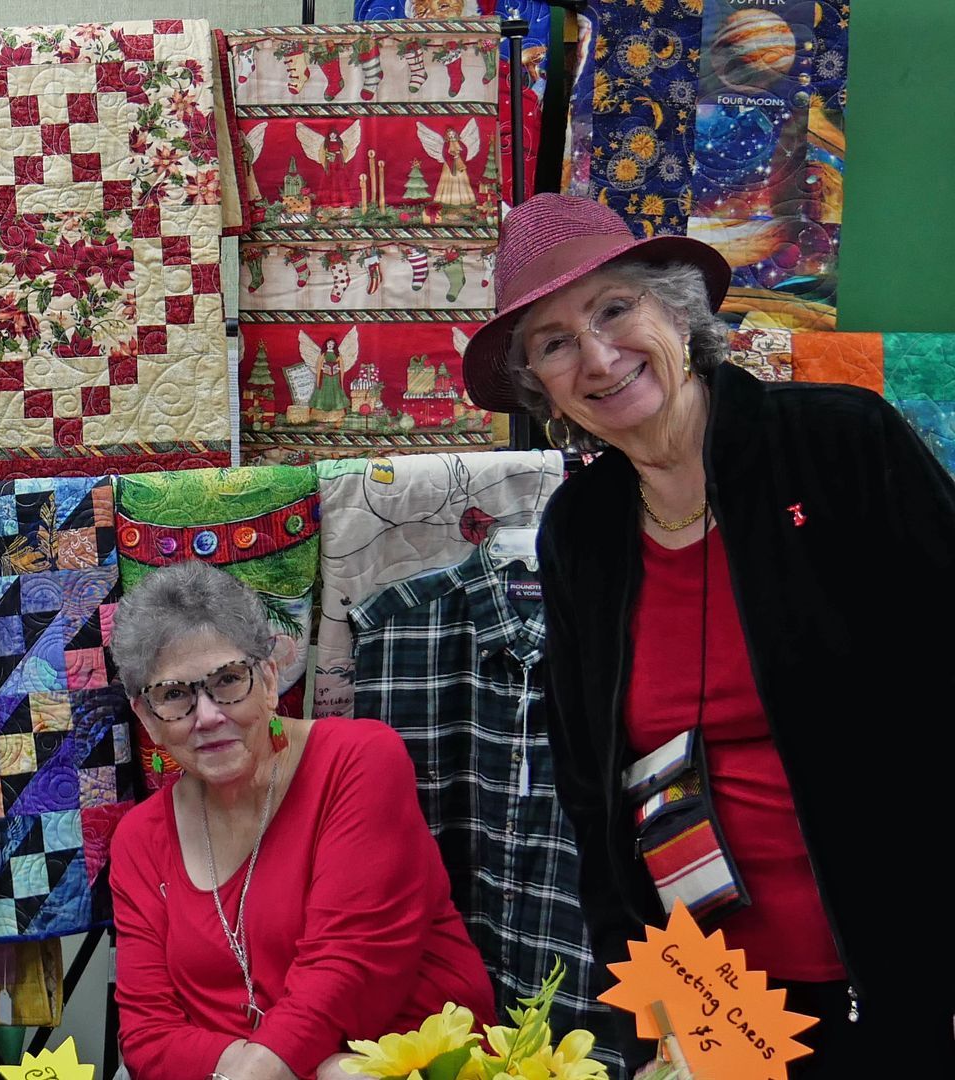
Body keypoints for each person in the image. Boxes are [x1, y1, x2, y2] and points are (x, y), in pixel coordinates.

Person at [462, 193, 955, 1071]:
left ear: (678, 314)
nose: (598, 357)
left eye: (615, 309)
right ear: (543, 388)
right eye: (555, 343)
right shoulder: (582, 527)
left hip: (901, 965)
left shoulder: (837, 445)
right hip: (709, 997)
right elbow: (589, 790)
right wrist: (646, 1007)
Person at [109, 561, 496, 1080]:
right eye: (174, 695)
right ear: (147, 718)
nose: (208, 715)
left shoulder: (359, 761)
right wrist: (243, 1068)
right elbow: (147, 1036)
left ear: (269, 679)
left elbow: (346, 972)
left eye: (228, 680)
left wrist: (258, 1070)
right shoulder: (139, 840)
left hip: (404, 1063)